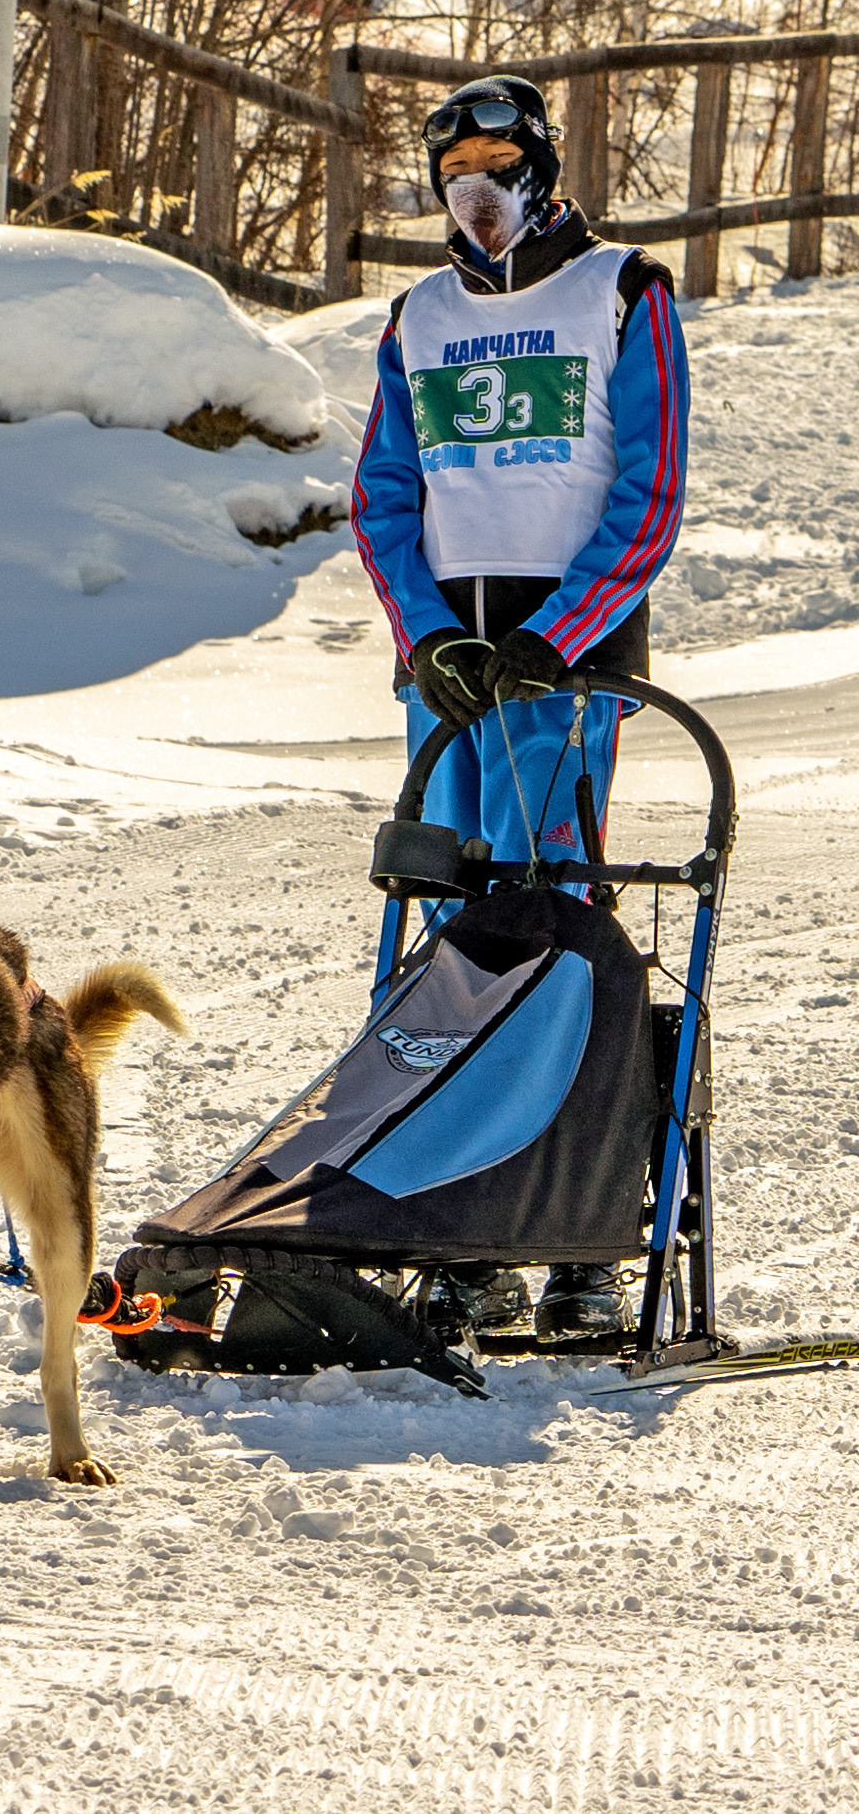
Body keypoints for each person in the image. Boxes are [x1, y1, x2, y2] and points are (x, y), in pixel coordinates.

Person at [349, 74, 689, 1342]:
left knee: (554, 927)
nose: (474, 187)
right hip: (445, 674)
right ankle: (449, 1221)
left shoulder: (620, 292)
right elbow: (380, 494)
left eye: (496, 159)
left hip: (561, 670)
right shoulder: (416, 315)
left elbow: (647, 493)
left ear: (540, 167)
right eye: (452, 169)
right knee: (446, 934)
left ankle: (576, 1233)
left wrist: (555, 639)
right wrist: (425, 633)